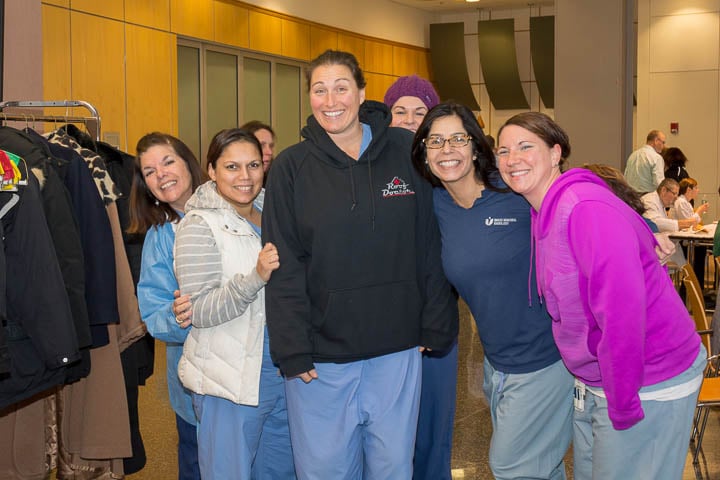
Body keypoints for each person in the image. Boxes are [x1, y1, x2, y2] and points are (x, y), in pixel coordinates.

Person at [262, 49, 458, 479]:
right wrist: (291, 349)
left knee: (393, 467)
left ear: (362, 92)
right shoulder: (291, 168)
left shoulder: (407, 151)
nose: (331, 100)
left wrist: (435, 322)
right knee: (325, 471)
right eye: (319, 89)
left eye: (341, 87)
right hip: (322, 360)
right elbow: (284, 265)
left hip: (397, 350)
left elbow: (430, 243)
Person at [496, 112, 704, 480]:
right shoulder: (545, 210)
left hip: (647, 379)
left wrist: (622, 403)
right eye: (503, 150)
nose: (512, 158)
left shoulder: (582, 207)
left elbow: (622, 313)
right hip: (603, 381)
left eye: (525, 146)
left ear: (556, 153)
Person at [411, 102, 573, 480]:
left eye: (457, 138)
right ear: (423, 153)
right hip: (497, 364)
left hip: (545, 358)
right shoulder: (434, 204)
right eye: (435, 141)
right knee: (542, 468)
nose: (447, 149)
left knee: (511, 466)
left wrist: (644, 229)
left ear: (475, 145)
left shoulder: (513, 190)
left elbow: (575, 198)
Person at [174, 128, 295, 479]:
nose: (245, 176)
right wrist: (255, 277)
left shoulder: (276, 212)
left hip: (281, 369)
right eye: (232, 167)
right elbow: (198, 310)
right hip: (229, 379)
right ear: (212, 170)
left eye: (253, 165)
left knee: (281, 473)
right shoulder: (199, 224)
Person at [384, 75, 457, 480]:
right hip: (387, 324)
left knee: (432, 424)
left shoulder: (449, 171)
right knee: (391, 433)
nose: (410, 120)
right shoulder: (372, 168)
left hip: (437, 319)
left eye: (419, 112)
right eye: (400, 112)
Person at [128, 132, 207, 480]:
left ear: (187, 162)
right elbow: (154, 314)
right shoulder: (159, 238)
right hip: (195, 381)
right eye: (149, 171)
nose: (161, 175)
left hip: (254, 371)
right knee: (197, 460)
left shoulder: (237, 205)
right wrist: (177, 316)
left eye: (167, 162)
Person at [624, 129, 666, 194]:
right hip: (647, 196)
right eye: (663, 142)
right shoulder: (656, 158)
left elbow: (626, 177)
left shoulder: (633, 155)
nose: (663, 146)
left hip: (631, 195)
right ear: (656, 141)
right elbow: (659, 184)